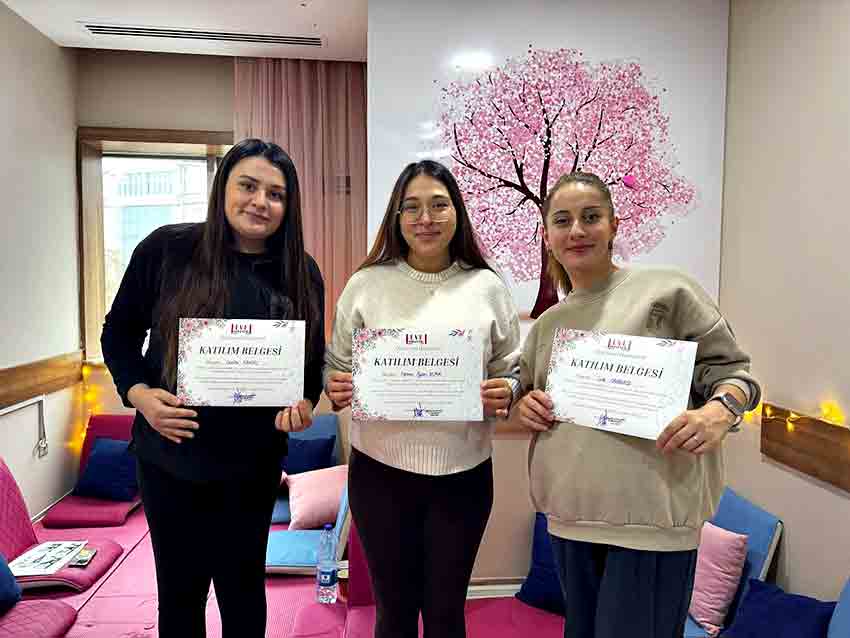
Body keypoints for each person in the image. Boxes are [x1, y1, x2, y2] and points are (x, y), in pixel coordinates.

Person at [512, 171, 761, 638]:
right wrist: (524, 405)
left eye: (591, 217)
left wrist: (718, 412)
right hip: (570, 520)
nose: (577, 230)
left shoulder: (667, 291)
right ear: (547, 237)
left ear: (614, 225)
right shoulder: (550, 324)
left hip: (651, 525)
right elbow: (523, 391)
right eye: (562, 221)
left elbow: (736, 376)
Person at [101, 139, 325, 638]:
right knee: (180, 597)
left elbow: (310, 369)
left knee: (244, 596)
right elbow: (118, 333)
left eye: (276, 194)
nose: (260, 202)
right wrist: (139, 394)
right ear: (223, 187)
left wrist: (305, 405)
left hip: (253, 467)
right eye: (248, 186)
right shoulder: (167, 249)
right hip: (170, 459)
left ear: (289, 206)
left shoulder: (301, 271)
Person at [324, 160, 520, 638]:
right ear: (396, 216)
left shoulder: (487, 286)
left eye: (438, 205)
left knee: (446, 615)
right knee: (392, 614)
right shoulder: (366, 283)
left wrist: (508, 390)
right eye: (411, 207)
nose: (425, 218)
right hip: (379, 474)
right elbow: (336, 363)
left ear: (457, 213)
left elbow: (511, 370)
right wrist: (335, 383)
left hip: (464, 475)